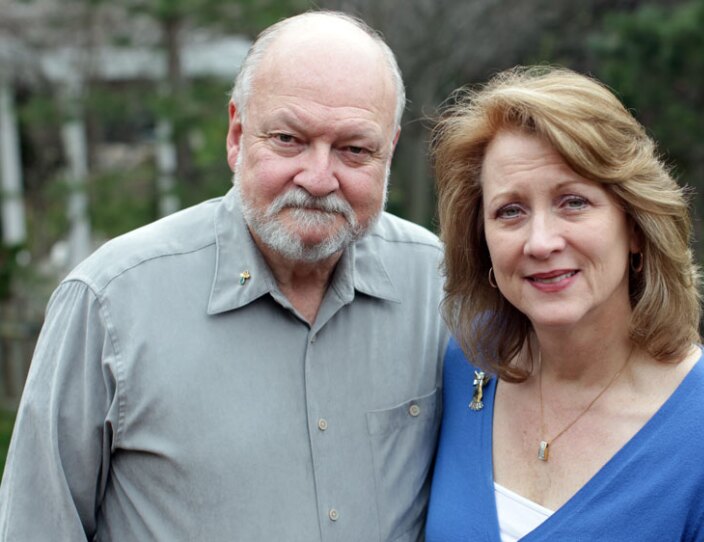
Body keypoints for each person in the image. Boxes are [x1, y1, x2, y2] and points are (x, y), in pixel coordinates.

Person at [0, 11, 448, 541]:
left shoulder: (437, 286)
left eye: (354, 149)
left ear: (389, 151)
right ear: (237, 134)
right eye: (288, 139)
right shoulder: (110, 303)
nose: (319, 177)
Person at [425, 66, 704, 541]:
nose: (540, 241)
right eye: (510, 211)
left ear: (636, 227)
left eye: (573, 202)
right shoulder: (468, 366)